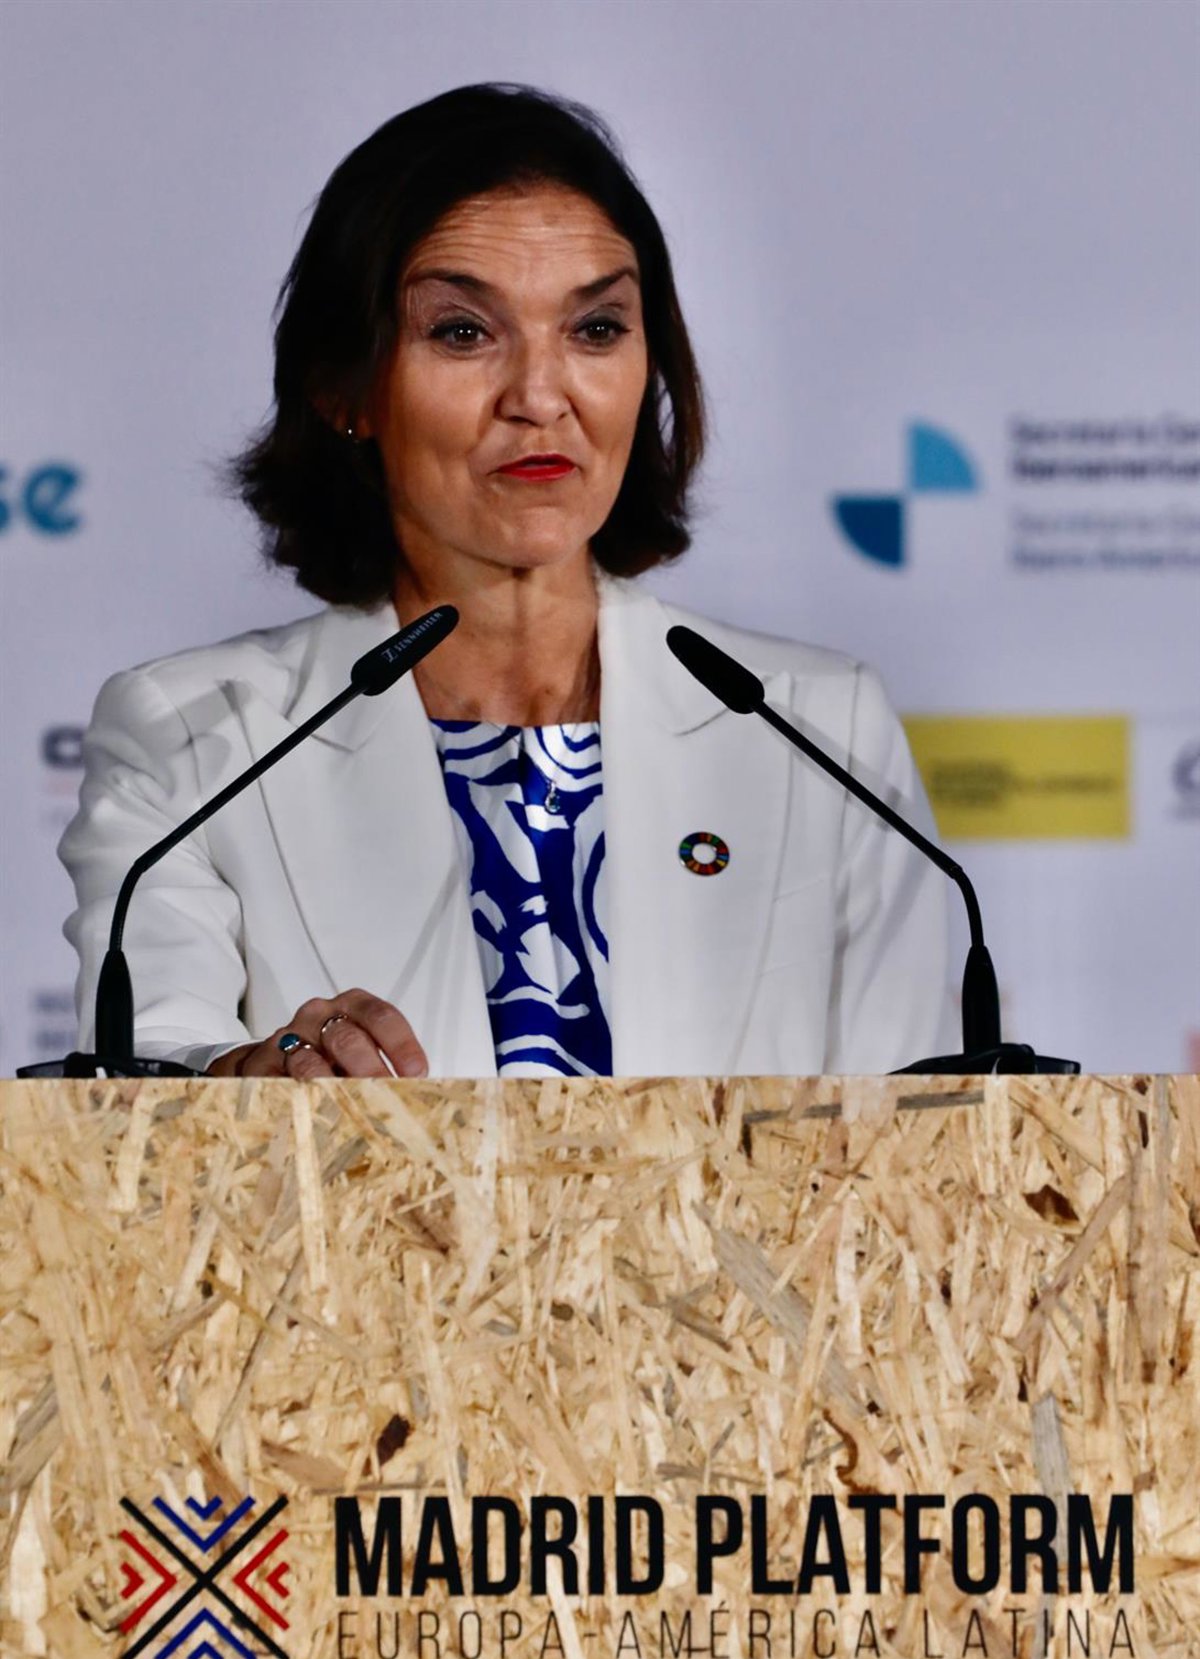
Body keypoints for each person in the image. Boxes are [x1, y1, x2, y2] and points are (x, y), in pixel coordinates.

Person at [59, 84, 950, 1080]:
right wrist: (247, 1083)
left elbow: (930, 1127)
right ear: (345, 387)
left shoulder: (818, 729)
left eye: (596, 329)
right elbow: (141, 1085)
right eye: (463, 332)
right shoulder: (197, 739)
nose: (539, 397)